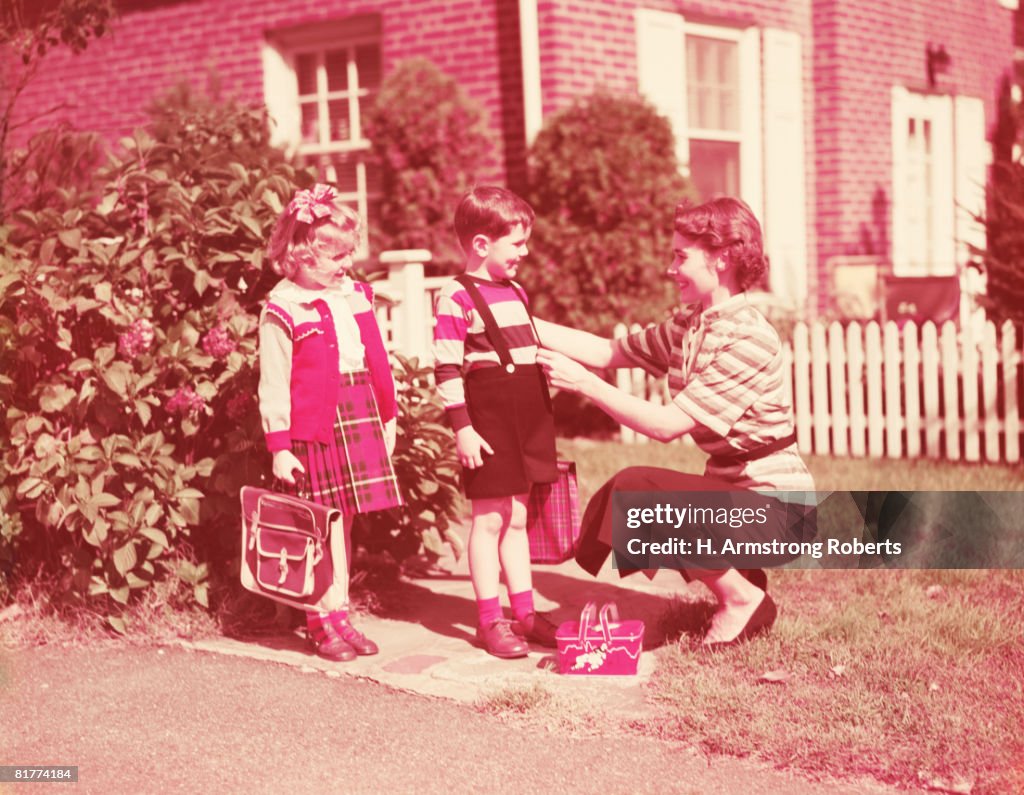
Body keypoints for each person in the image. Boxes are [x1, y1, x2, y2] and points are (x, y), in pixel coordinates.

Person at [536, 196, 815, 648]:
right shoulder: (693, 324)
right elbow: (611, 351)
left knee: (643, 490)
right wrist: (514, 318)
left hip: (778, 509)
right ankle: (740, 576)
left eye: (680, 256)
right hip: (733, 494)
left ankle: (741, 597)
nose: (670, 268)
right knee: (634, 487)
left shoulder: (747, 336)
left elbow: (666, 426)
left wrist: (585, 386)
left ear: (721, 258)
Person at [258, 183, 402, 661]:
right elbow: (274, 380)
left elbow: (376, 357)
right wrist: (279, 445)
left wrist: (388, 414)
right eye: (335, 255)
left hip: (359, 409)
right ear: (300, 252)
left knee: (349, 520)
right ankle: (320, 619)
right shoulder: (283, 307)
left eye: (348, 254)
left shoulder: (354, 295)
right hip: (316, 425)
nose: (345, 264)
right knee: (323, 523)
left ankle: (340, 612)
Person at [432, 186, 560, 658]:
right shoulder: (455, 296)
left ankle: (524, 613)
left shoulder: (516, 291)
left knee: (518, 517)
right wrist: (462, 427)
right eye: (517, 244)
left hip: (527, 415)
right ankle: (490, 618)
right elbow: (446, 367)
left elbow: (523, 349)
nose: (525, 253)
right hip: (487, 421)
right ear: (482, 244)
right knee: (488, 519)